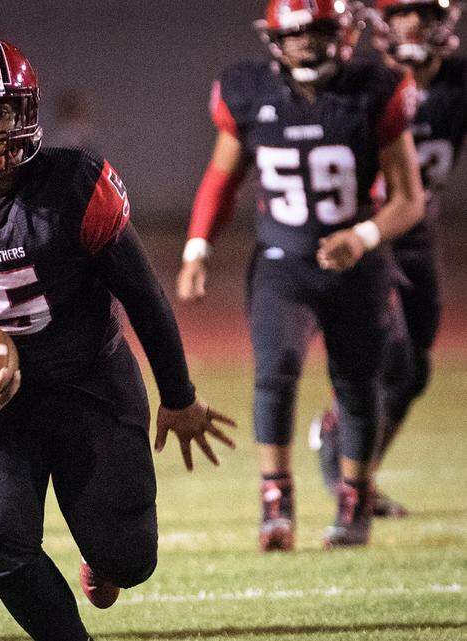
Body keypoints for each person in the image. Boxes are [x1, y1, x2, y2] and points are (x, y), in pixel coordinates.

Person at [0, 36, 235, 641]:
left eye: (0, 107)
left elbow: (143, 296)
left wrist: (178, 396)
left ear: (27, 111)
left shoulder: (76, 183)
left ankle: (105, 557)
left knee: (131, 559)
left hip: (89, 384)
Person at [176, 0, 425, 550]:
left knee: (357, 386)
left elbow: (409, 200)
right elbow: (221, 180)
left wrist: (361, 238)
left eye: (317, 33)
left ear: (342, 35)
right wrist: (197, 248)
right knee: (274, 372)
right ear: (274, 40)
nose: (306, 45)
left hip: (356, 265)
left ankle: (354, 501)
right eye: (295, 35)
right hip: (281, 262)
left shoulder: (374, 91)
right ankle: (276, 500)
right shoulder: (249, 92)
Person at [311, 0, 466, 518]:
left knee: (416, 368)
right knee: (387, 355)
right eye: (401, 13)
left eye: (423, 12)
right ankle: (344, 461)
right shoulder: (365, 83)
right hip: (367, 230)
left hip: (418, 232)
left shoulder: (456, 84)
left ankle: (363, 470)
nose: (413, 24)